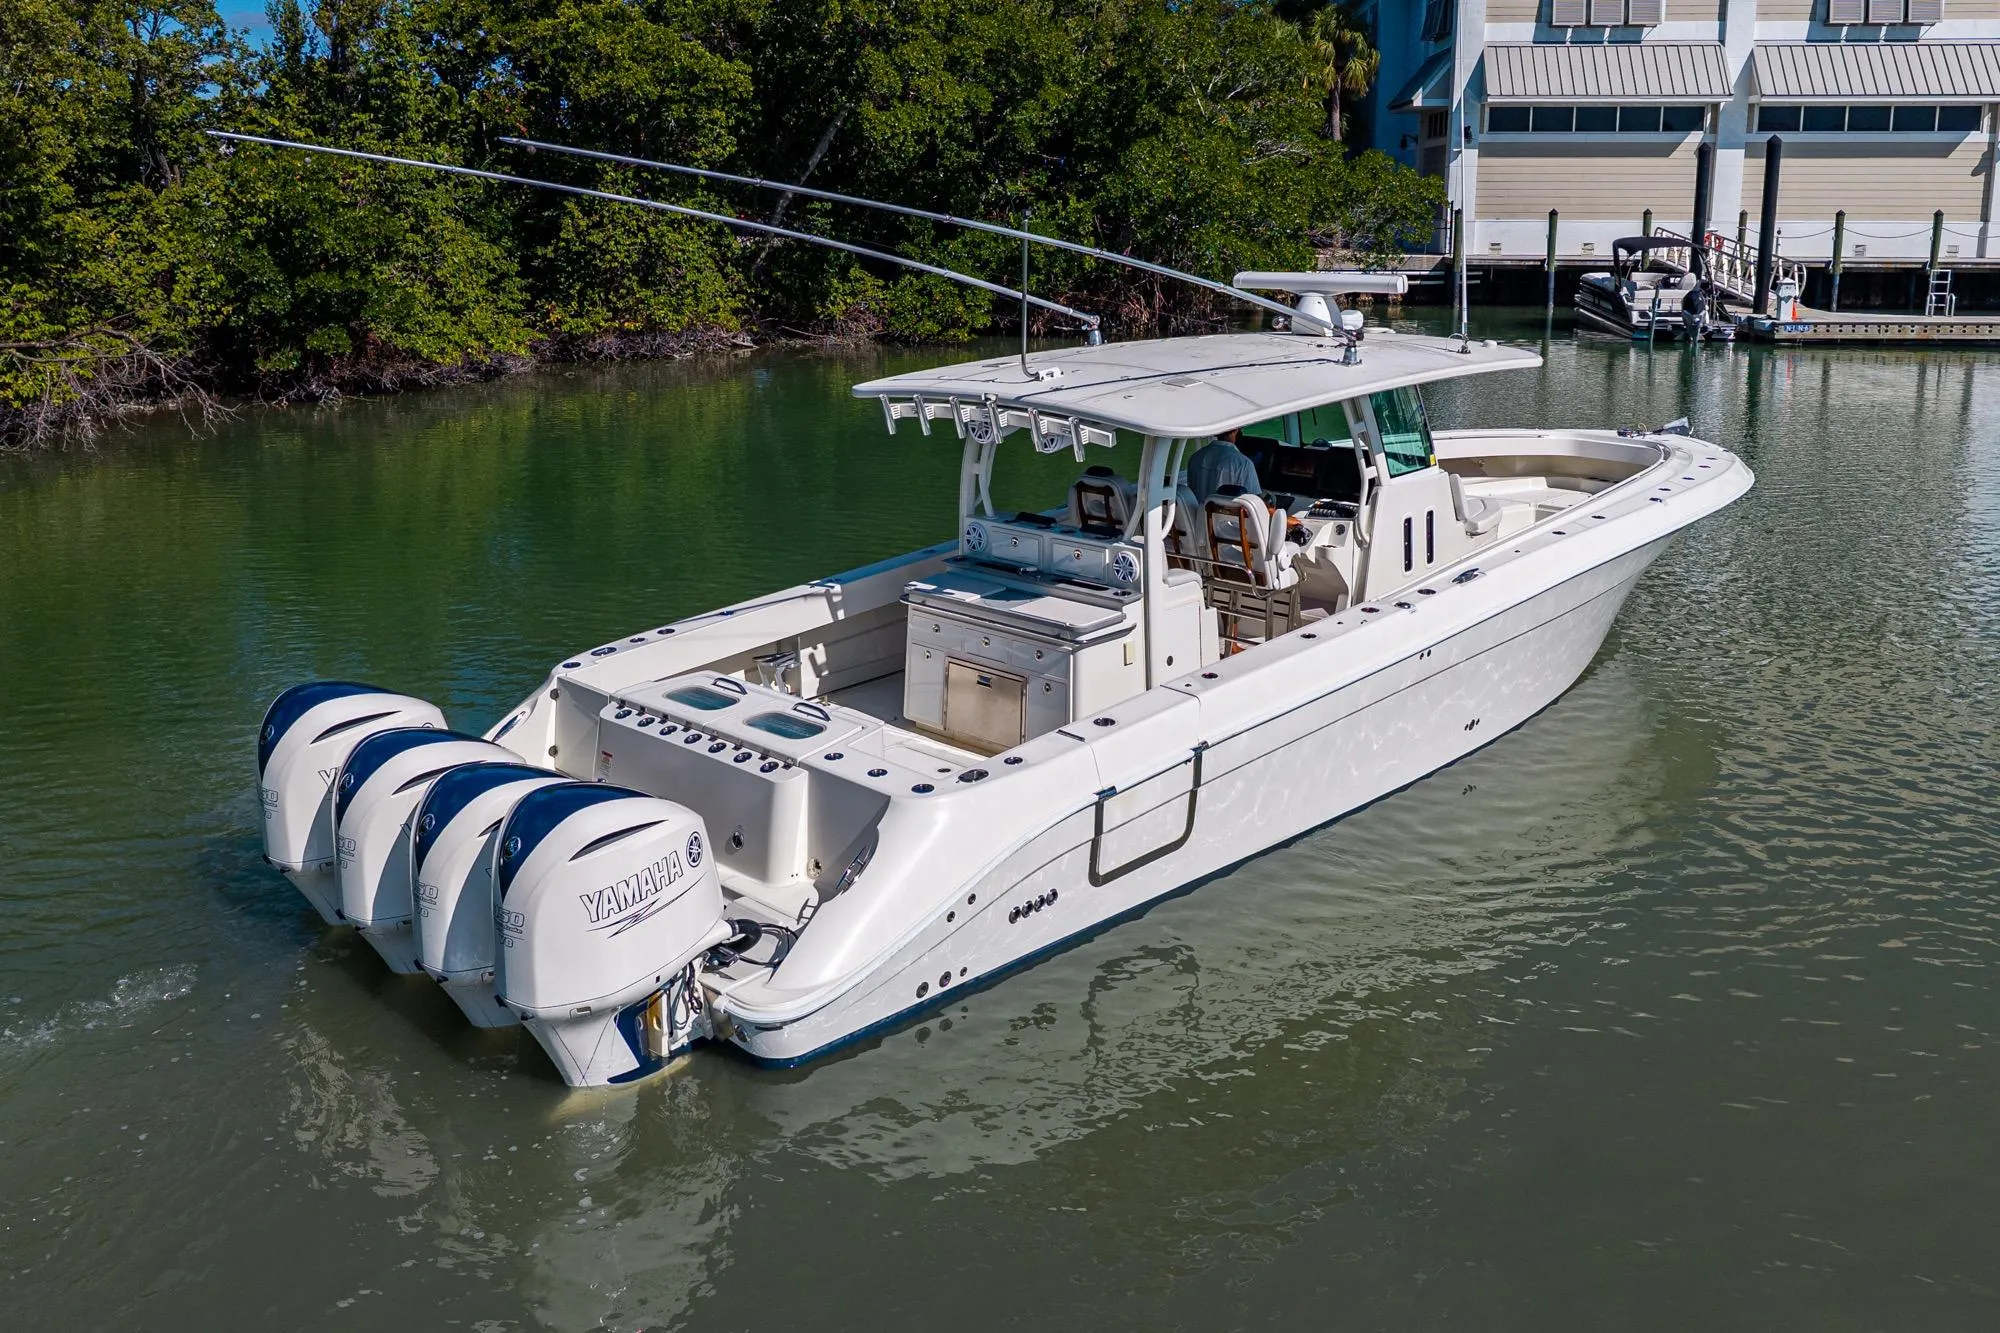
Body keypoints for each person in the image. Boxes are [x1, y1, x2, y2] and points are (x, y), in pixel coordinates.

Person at [1185, 429, 1261, 503]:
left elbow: (1191, 493)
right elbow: (1254, 502)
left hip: (1198, 514)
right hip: (1227, 515)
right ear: (1235, 430)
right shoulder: (1243, 463)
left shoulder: (1196, 457)